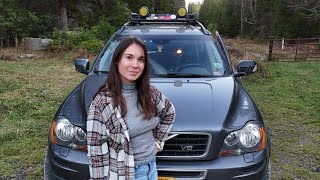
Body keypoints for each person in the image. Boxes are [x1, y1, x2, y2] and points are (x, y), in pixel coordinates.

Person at [86, 36, 176, 180]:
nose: (135, 65)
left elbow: (169, 112)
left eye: (141, 59)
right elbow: (96, 153)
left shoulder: (150, 93)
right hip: (126, 174)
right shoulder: (102, 102)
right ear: (117, 60)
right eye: (129, 57)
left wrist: (157, 143)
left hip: (151, 169)